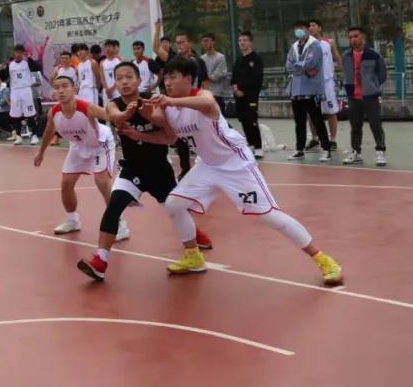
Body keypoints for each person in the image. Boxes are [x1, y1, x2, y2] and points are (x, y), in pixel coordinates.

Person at [129, 56, 343, 286]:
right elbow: (170, 138)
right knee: (173, 204)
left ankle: (323, 259)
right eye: (165, 78)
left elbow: (209, 104)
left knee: (269, 215)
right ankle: (193, 256)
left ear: (188, 79)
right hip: (208, 166)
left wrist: (170, 101)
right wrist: (141, 131)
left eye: (173, 77)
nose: (167, 82)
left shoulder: (202, 96)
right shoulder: (169, 109)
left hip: (235, 164)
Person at [78, 63, 212, 281]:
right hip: (132, 169)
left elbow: (168, 134)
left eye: (129, 77)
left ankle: (194, 239)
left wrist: (151, 117)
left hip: (160, 170)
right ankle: (100, 260)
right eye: (119, 78)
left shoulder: (153, 100)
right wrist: (126, 114)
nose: (124, 81)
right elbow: (115, 116)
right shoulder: (114, 103)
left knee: (176, 210)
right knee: (114, 206)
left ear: (139, 80)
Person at [33, 74, 125, 238]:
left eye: (65, 86)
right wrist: (41, 152)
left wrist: (125, 119)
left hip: (100, 144)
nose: (61, 91)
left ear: (74, 89)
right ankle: (72, 220)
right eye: (57, 88)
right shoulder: (54, 112)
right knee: (66, 183)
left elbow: (110, 116)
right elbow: (49, 132)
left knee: (102, 182)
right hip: (78, 145)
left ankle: (119, 223)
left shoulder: (86, 107)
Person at [154, 28, 209, 178]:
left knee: (204, 133)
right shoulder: (173, 60)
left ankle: (209, 162)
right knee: (181, 137)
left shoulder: (198, 61)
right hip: (178, 103)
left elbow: (205, 81)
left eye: (182, 42)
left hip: (196, 102)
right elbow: (156, 48)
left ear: (190, 43)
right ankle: (185, 169)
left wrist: (204, 99)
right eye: (177, 43)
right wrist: (157, 28)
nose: (179, 45)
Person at [285, 20, 331, 161]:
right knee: (299, 122)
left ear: (307, 29)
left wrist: (299, 67)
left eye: (301, 28)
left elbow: (311, 63)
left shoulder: (315, 45)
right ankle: (299, 149)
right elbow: (288, 65)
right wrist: (303, 69)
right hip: (296, 91)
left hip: (312, 90)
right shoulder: (293, 47)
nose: (298, 31)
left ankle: (326, 149)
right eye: (296, 28)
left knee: (317, 120)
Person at [342, 27, 387, 166]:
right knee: (355, 126)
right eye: (350, 37)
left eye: (356, 36)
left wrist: (373, 86)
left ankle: (380, 151)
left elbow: (382, 74)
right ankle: (356, 152)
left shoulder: (373, 55)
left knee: (375, 124)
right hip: (353, 96)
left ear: (363, 38)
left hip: (370, 96)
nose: (353, 39)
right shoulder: (346, 55)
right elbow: (346, 73)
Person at [308, 19, 342, 160]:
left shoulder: (329, 42)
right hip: (312, 83)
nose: (311, 28)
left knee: (331, 112)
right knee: (312, 112)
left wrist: (344, 72)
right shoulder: (306, 45)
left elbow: (337, 57)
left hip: (327, 82)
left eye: (313, 25)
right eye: (309, 26)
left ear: (320, 28)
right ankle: (315, 138)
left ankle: (332, 140)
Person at [232, 30, 264, 159]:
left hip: (251, 97)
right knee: (244, 120)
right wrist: (236, 89)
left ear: (250, 42)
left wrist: (244, 91)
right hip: (239, 97)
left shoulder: (256, 59)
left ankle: (258, 147)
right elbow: (234, 78)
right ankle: (250, 144)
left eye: (245, 40)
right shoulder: (239, 60)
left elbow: (256, 79)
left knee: (252, 120)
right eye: (240, 41)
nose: (242, 43)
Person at [6, 45, 39, 145]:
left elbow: (36, 68)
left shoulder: (27, 62)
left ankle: (34, 136)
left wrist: (29, 57)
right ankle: (18, 136)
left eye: (20, 52)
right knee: (15, 114)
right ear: (14, 53)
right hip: (15, 91)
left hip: (25, 90)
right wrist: (1, 71)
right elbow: (5, 77)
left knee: (30, 113)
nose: (18, 54)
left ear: (23, 53)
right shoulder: (10, 64)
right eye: (17, 52)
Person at [200, 33, 230, 105]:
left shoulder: (220, 57)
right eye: (203, 41)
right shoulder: (201, 58)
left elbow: (218, 75)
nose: (205, 43)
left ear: (213, 42)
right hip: (204, 94)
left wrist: (205, 77)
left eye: (207, 41)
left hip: (217, 94)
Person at [99, 39, 123, 103]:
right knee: (106, 108)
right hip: (106, 91)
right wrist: (107, 89)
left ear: (114, 48)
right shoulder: (102, 62)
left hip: (117, 90)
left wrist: (112, 89)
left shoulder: (119, 61)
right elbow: (102, 78)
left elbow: (120, 77)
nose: (107, 49)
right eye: (106, 47)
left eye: (109, 46)